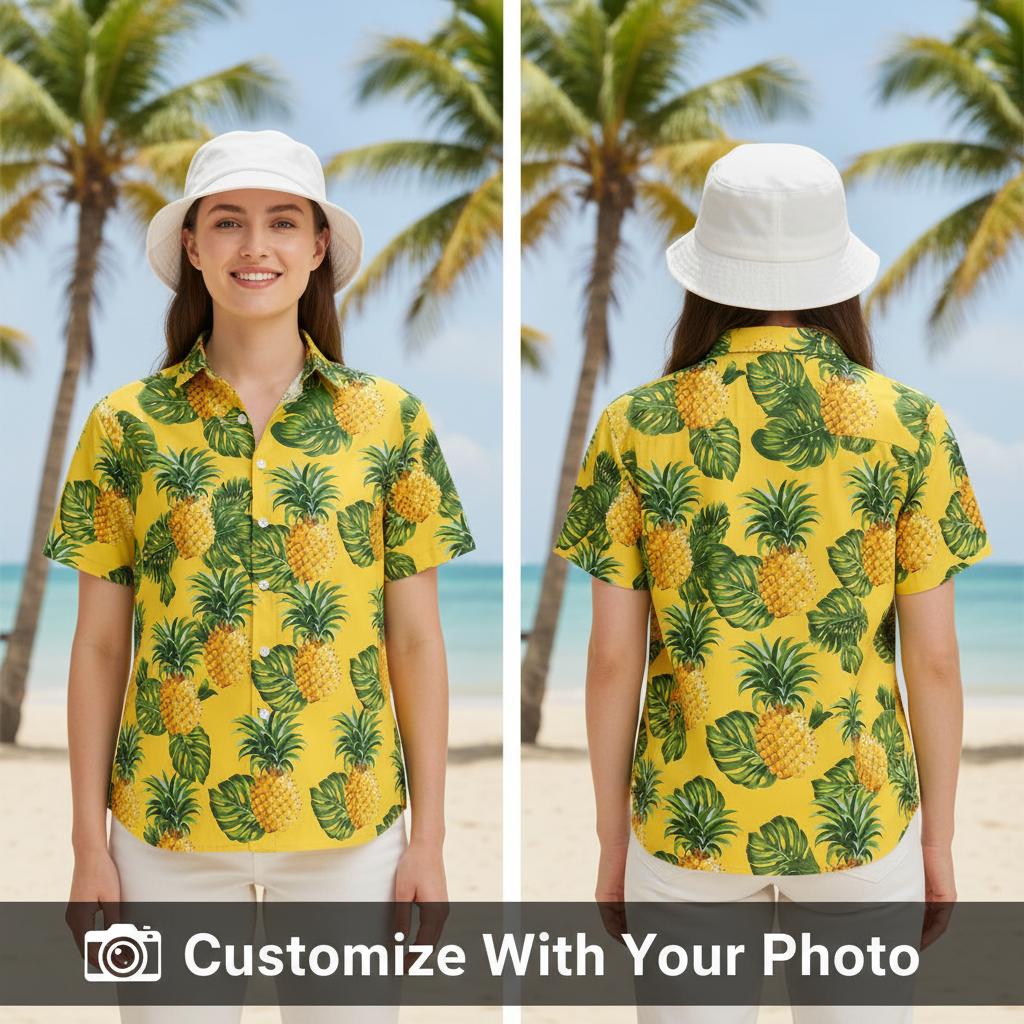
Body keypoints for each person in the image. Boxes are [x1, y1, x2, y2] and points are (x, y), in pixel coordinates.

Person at [554, 142, 993, 1022]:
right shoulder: (909, 424)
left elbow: (611, 664)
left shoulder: (634, 425)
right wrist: (936, 842)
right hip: (859, 821)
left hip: (687, 824)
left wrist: (612, 841)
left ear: (704, 275)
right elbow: (934, 663)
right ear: (837, 275)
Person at [44, 129, 475, 1022]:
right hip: (163, 832)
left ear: (317, 249)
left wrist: (425, 840)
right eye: (228, 223)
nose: (255, 247)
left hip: (350, 830)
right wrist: (91, 844)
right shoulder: (125, 426)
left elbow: (419, 640)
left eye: (283, 222)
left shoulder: (389, 420)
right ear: (192, 250)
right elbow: (94, 648)